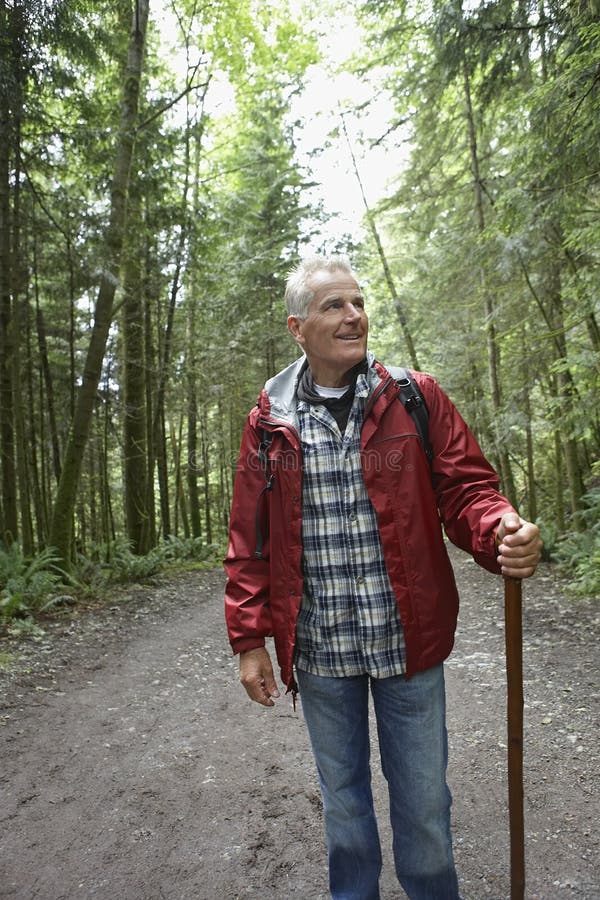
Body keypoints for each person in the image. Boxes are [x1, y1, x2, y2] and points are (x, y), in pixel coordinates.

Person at [224, 254, 542, 900]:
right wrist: (249, 639)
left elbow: (467, 491)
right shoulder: (269, 424)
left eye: (359, 302)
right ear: (298, 327)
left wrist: (500, 526)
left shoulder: (414, 398)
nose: (354, 316)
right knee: (343, 809)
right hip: (319, 650)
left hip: (408, 643)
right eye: (334, 306)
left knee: (424, 808)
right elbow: (249, 539)